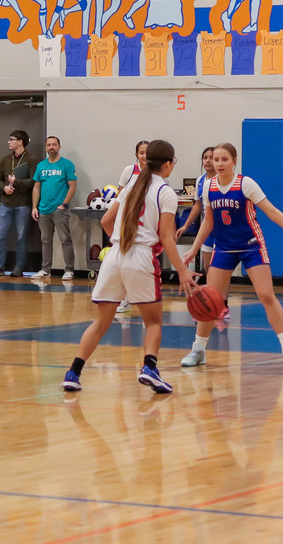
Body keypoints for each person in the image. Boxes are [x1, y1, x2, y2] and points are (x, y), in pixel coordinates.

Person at [61, 139, 198, 393]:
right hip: (142, 257)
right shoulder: (165, 192)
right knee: (154, 322)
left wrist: (121, 241)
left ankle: (73, 373)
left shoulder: (131, 185)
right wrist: (182, 270)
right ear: (168, 164)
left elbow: (106, 221)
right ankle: (149, 367)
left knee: (100, 323)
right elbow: (167, 238)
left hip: (115, 255)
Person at [180, 142, 283, 369]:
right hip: (224, 247)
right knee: (210, 299)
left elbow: (272, 212)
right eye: (216, 160)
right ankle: (198, 350)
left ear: (234, 161)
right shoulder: (208, 186)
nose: (219, 164)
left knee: (266, 295)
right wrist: (194, 249)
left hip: (251, 246)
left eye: (224, 159)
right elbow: (208, 221)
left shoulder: (245, 184)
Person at [0, 130, 38, 277]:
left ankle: (19, 267)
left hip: (23, 203)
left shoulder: (32, 160)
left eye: (11, 139)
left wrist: (17, 183)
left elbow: (34, 181)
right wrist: (4, 187)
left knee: (21, 237)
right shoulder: (5, 160)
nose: (8, 142)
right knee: (0, 236)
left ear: (20, 142)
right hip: (6, 203)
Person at [31, 136, 77, 280]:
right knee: (45, 240)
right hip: (43, 209)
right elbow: (36, 187)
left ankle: (69, 270)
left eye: (54, 144)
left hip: (59, 210)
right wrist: (34, 207)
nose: (51, 147)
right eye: (49, 145)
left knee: (65, 239)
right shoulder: (41, 166)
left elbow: (72, 186)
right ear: (46, 148)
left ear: (59, 147)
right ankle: (45, 269)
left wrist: (64, 204)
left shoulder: (67, 165)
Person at [114, 139, 150, 313]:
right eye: (141, 152)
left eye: (147, 152)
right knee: (126, 262)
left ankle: (145, 302)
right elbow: (120, 195)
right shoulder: (129, 171)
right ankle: (125, 297)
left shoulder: (157, 175)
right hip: (128, 222)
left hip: (146, 224)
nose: (144, 155)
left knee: (144, 264)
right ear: (136, 155)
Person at [176, 146, 217, 272]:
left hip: (222, 229)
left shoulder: (223, 180)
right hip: (207, 229)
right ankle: (211, 291)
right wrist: (186, 225)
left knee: (219, 267)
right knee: (207, 267)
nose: (208, 161)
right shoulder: (200, 181)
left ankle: (220, 291)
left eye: (211, 158)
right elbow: (198, 205)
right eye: (205, 158)